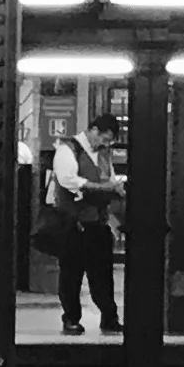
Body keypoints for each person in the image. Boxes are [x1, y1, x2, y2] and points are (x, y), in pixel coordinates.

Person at [49, 113, 123, 335]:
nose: (106, 144)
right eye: (105, 139)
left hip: (98, 221)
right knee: (71, 273)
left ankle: (109, 317)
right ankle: (71, 318)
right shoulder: (68, 149)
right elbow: (68, 180)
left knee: (103, 274)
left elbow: (110, 177)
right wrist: (101, 187)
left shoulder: (103, 154)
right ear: (94, 131)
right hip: (74, 222)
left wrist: (115, 188)